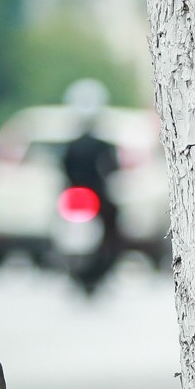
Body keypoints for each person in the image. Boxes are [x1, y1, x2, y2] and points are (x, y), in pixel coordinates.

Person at [61, 108, 121, 293]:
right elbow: (112, 168)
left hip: (74, 196)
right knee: (114, 228)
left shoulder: (71, 145)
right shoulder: (102, 145)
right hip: (94, 195)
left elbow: (63, 168)